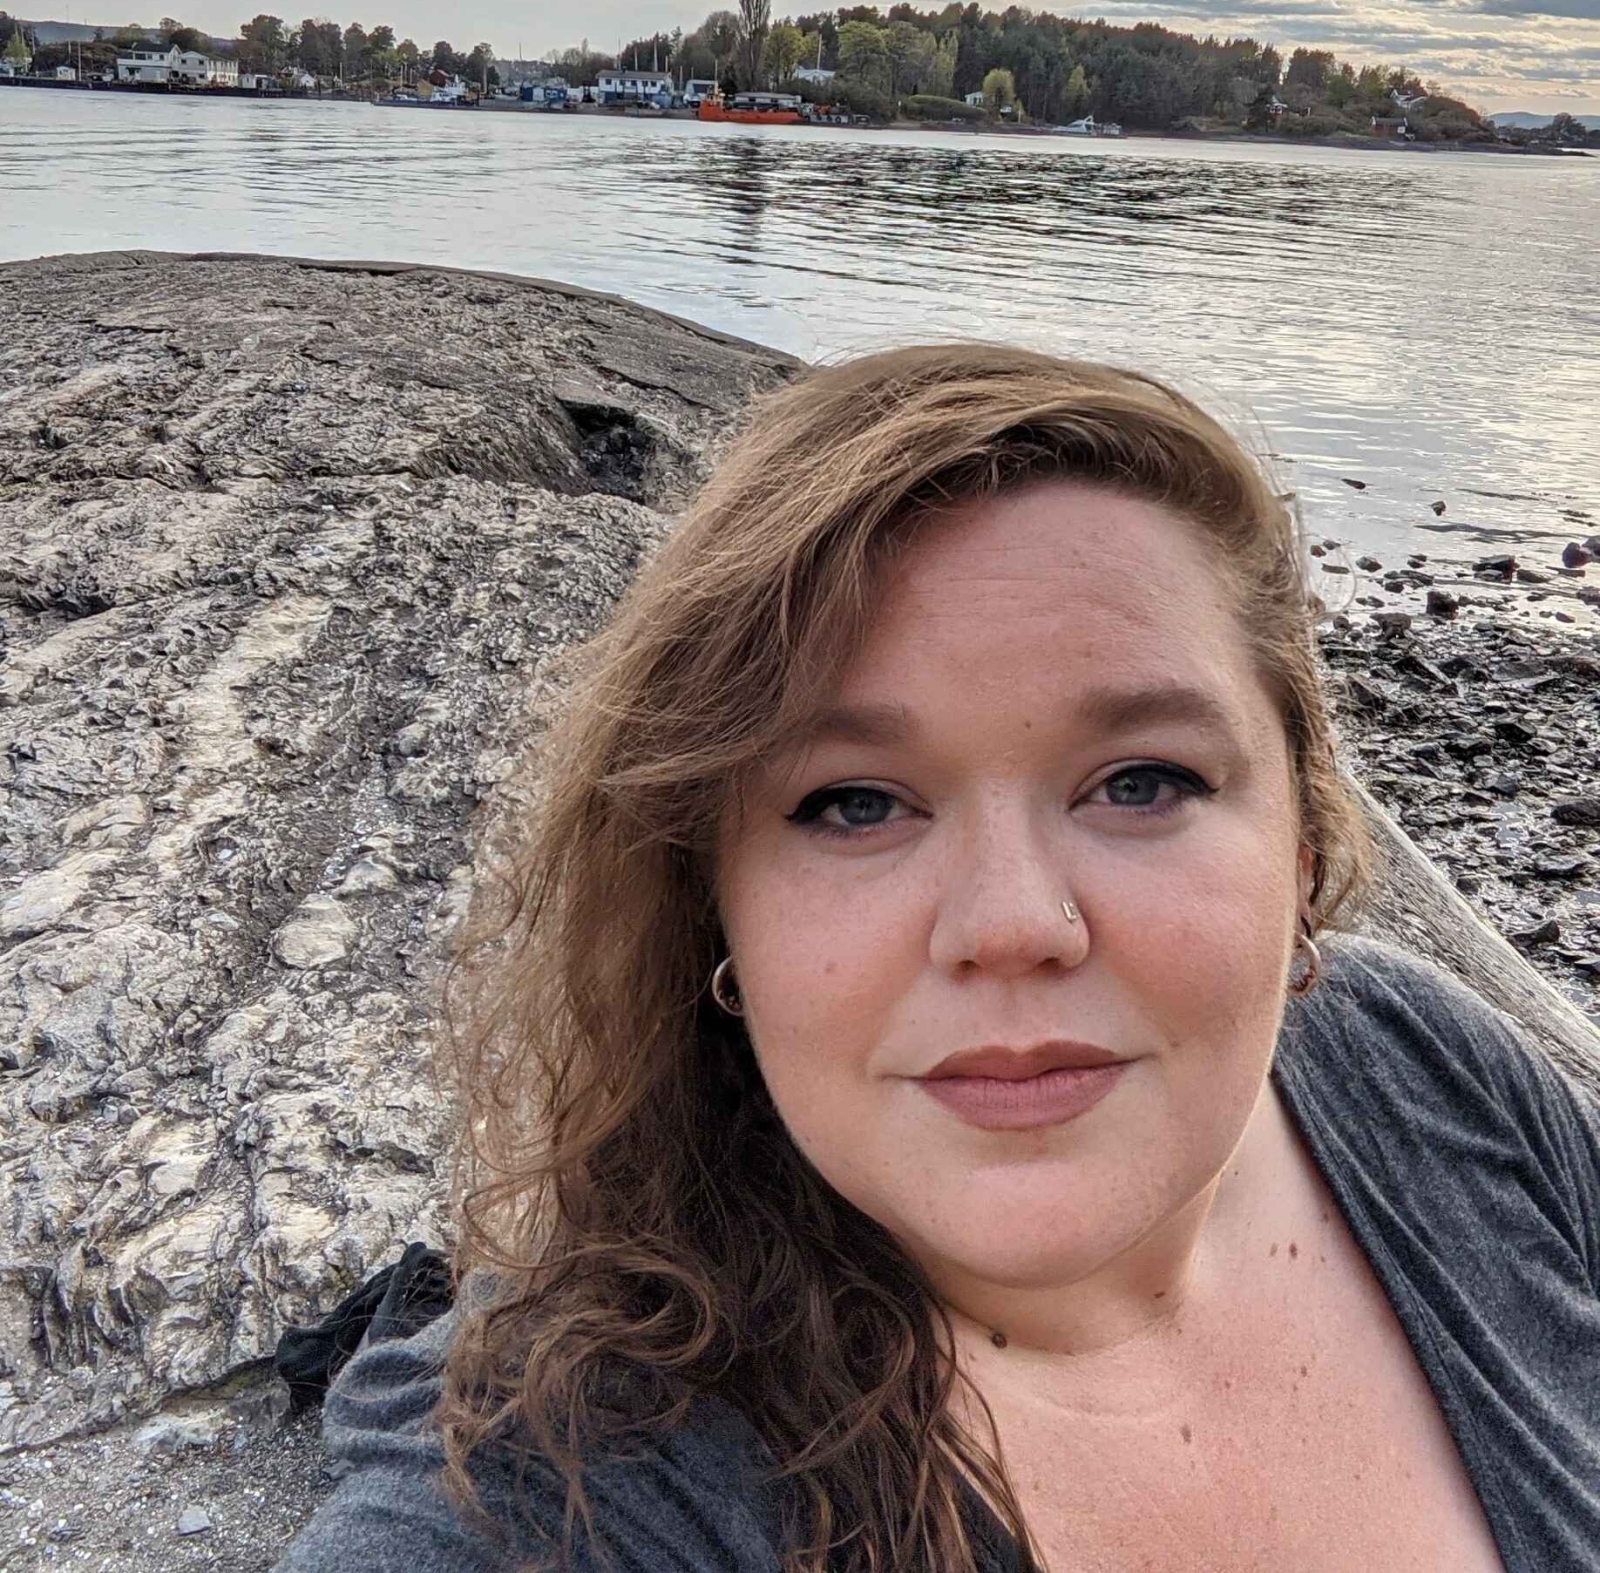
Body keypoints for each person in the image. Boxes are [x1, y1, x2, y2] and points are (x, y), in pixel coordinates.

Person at [275, 347, 1600, 1573]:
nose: (1013, 925)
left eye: (1140, 781)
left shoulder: (1425, 1074)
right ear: (713, 903)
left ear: (1303, 845)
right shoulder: (564, 1480)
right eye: (856, 803)